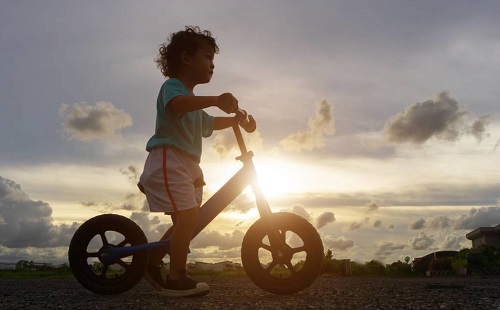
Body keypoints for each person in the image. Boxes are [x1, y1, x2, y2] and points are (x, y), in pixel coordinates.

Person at [138, 26, 256, 297]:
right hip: (169, 159)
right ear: (186, 58)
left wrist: (238, 119)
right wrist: (215, 99)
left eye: (213, 59)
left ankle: (153, 260)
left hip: (187, 165)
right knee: (189, 218)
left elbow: (209, 123)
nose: (212, 64)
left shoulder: (194, 103)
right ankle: (176, 278)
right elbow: (177, 105)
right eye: (207, 57)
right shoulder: (173, 88)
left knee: (187, 221)